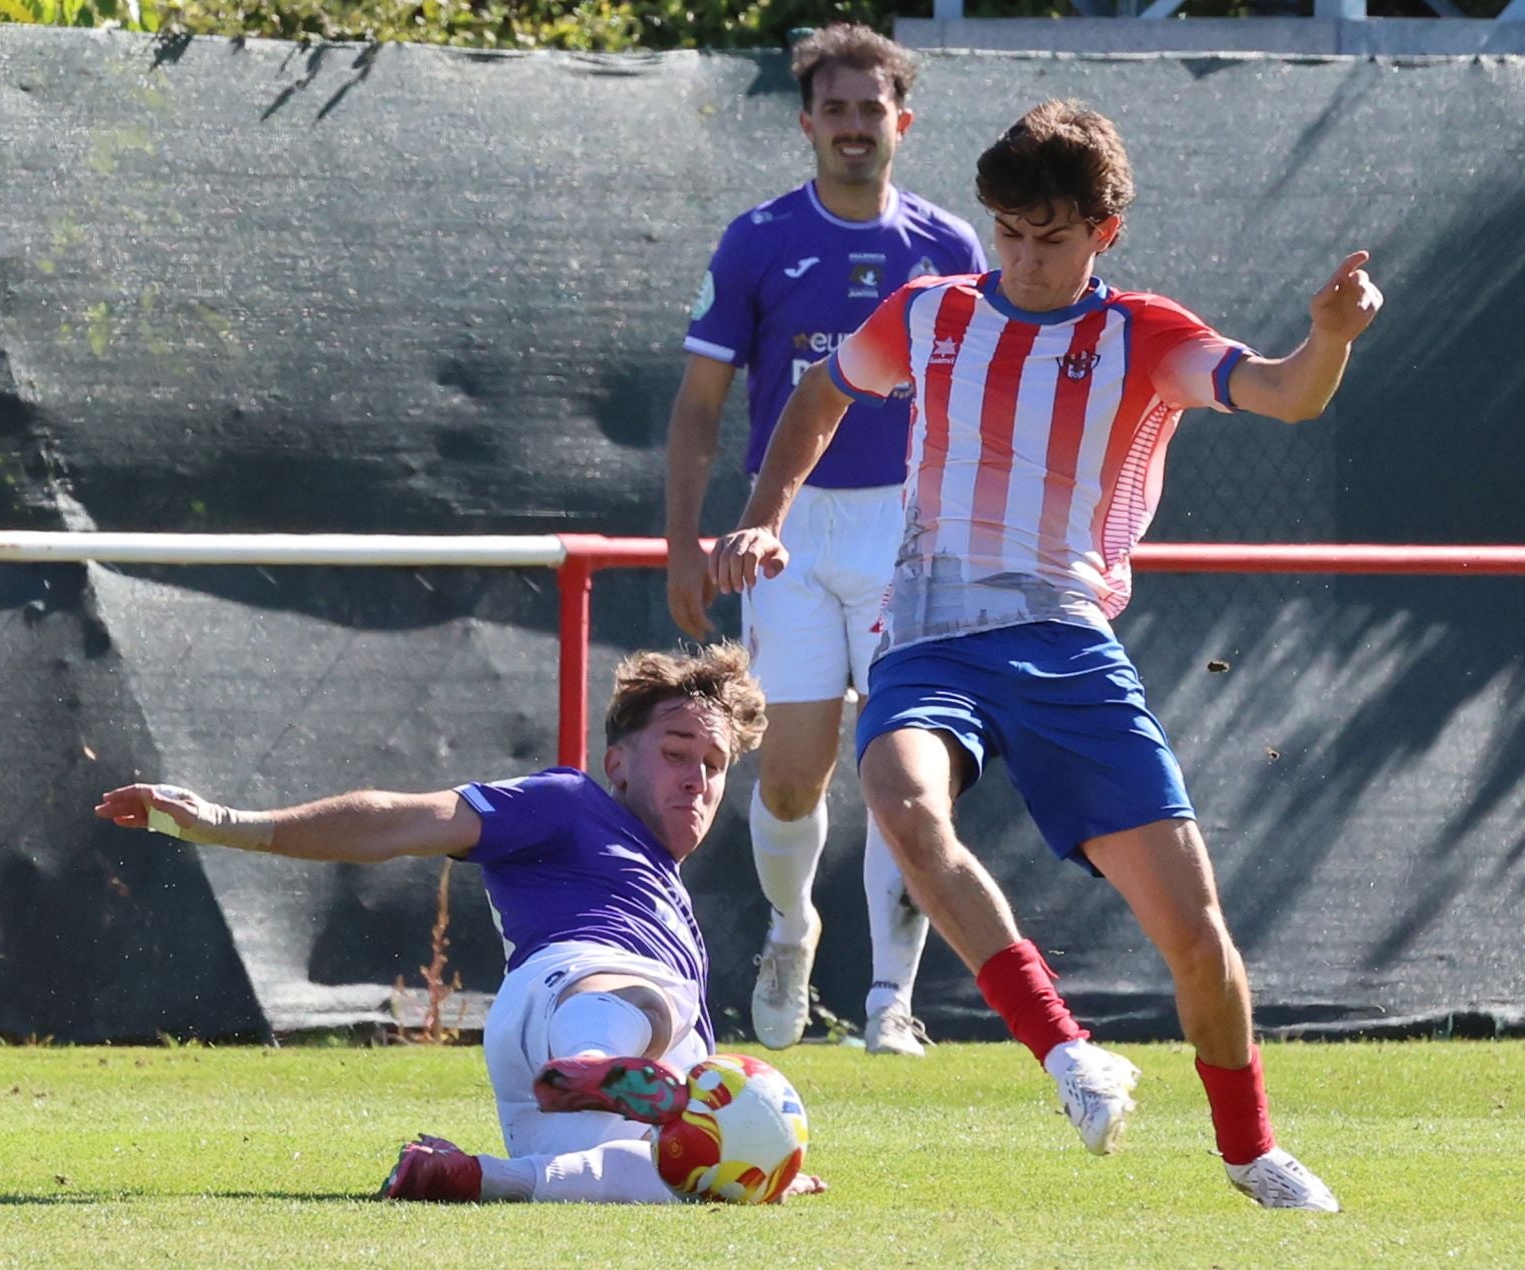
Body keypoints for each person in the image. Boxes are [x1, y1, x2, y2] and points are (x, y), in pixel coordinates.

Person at [709, 100, 1382, 1211]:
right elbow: (820, 394)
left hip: (1067, 645)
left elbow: (1283, 392)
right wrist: (767, 510)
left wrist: (1332, 340)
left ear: (1102, 233)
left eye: (1051, 237)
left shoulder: (1143, 334)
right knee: (899, 799)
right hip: (927, 637)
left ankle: (1251, 1149)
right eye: (1009, 231)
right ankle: (1066, 1054)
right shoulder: (931, 313)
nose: (1023, 257)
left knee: (1197, 936)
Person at [93, 643, 822, 1205]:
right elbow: (400, 821)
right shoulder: (570, 803)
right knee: (651, 1000)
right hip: (580, 987)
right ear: (617, 764)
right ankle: (598, 1056)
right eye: (675, 753)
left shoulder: (674, 899)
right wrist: (228, 823)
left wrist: (752, 1162)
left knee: (659, 1183)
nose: (697, 778)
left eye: (715, 765)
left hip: (533, 1058)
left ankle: (474, 1175)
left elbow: (699, 1129)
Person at [664, 23, 987, 1059]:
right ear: (808, 122)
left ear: (904, 121)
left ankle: (893, 999)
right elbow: (701, 407)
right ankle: (790, 930)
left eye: (872, 110)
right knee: (795, 775)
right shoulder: (757, 240)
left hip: (910, 534)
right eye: (835, 110)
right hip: (790, 539)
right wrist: (684, 543)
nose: (855, 128)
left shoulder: (949, 249)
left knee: (905, 774)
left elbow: (984, 399)